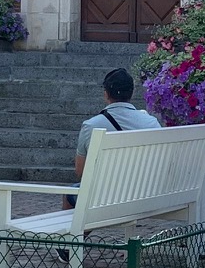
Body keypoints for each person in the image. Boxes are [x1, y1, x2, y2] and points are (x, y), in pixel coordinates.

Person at [66, 68, 161, 205]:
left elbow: (81, 172)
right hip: (146, 194)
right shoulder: (151, 123)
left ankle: (79, 227)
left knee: (71, 193)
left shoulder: (91, 126)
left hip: (107, 197)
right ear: (132, 92)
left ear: (106, 94)